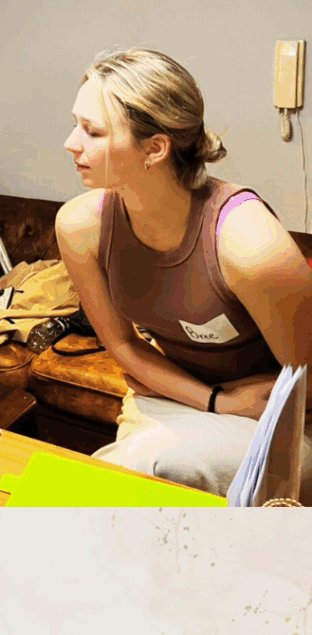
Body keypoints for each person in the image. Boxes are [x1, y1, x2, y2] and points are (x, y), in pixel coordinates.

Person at [56, 47, 312, 498]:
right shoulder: (80, 227)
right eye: (76, 124)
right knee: (123, 485)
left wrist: (234, 406)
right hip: (177, 394)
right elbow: (123, 346)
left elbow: (304, 385)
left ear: (155, 148)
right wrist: (216, 402)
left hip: (276, 414)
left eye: (92, 131)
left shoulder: (249, 245)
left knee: (137, 471)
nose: (70, 143)